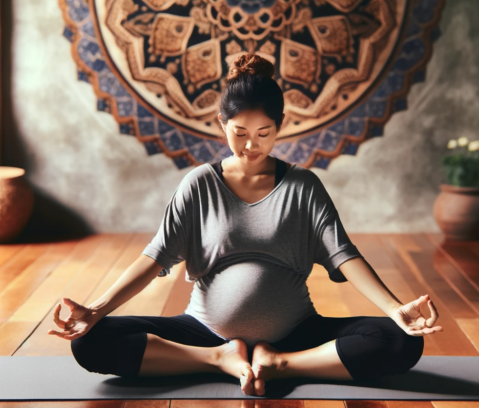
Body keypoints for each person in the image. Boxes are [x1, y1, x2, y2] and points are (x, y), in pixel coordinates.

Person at [48, 54, 443, 396]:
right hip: (203, 330)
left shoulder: (303, 186)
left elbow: (344, 256)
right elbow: (155, 257)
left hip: (296, 332)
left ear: (280, 125)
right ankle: (218, 359)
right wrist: (96, 309)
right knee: (90, 341)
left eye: (263, 134)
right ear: (222, 123)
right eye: (239, 133)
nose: (251, 146)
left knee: (401, 342)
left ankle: (280, 363)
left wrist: (396, 309)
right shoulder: (199, 184)